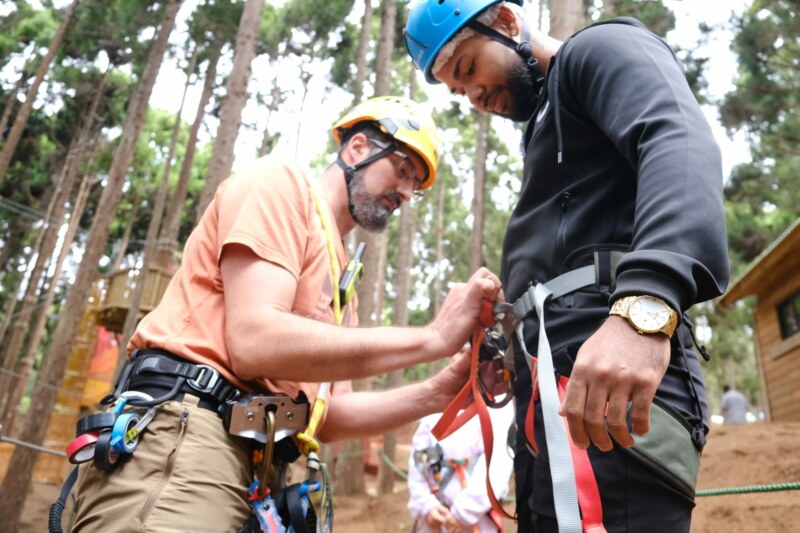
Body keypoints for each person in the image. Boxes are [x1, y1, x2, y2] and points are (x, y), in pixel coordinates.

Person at [67, 95, 503, 532]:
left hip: (257, 467)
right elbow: (255, 341)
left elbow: (331, 415)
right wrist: (433, 337)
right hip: (186, 439)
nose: (407, 193)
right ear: (357, 149)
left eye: (416, 186)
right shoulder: (281, 185)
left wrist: (441, 392)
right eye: (404, 170)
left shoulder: (341, 280)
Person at [405, 2, 729, 532]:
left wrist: (646, 305)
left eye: (468, 68)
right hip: (551, 403)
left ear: (507, 21)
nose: (474, 96)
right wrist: (507, 348)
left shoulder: (599, 49)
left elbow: (677, 141)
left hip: (612, 390)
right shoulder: (546, 129)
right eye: (459, 92)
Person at [407, 367, 515, 533]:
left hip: (477, 521)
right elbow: (420, 459)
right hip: (435, 519)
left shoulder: (497, 402)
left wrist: (463, 513)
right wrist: (426, 505)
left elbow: (497, 464)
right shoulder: (434, 404)